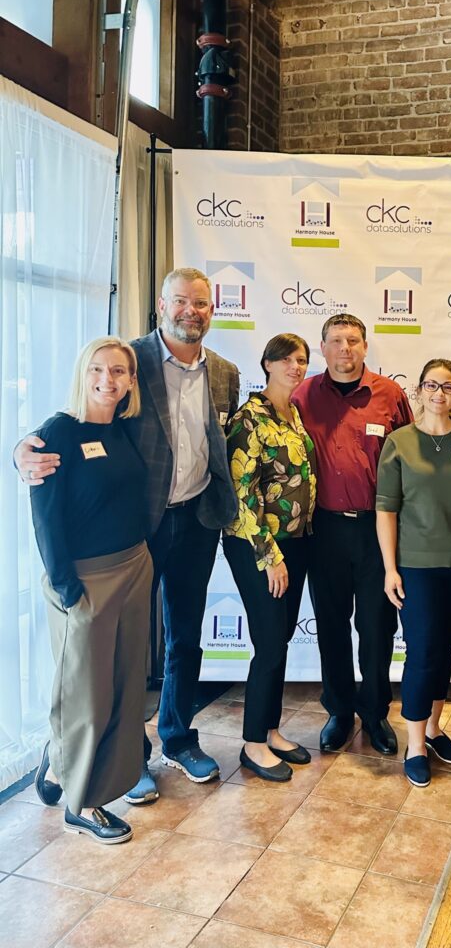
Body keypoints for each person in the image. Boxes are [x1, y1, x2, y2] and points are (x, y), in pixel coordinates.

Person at [17, 268, 239, 801]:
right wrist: (24, 445)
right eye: (180, 301)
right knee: (126, 645)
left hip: (198, 519)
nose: (191, 311)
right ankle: (127, 756)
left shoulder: (226, 372)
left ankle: (178, 737)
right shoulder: (130, 360)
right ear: (161, 305)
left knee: (186, 634)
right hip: (138, 527)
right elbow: (82, 412)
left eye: (201, 303)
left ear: (213, 310)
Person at [30, 337, 152, 844]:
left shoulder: (124, 429)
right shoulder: (56, 433)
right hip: (85, 580)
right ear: (83, 373)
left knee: (124, 689)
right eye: (98, 370)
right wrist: (64, 585)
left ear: (130, 381)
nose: (109, 380)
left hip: (134, 568)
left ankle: (70, 767)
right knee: (87, 694)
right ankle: (83, 803)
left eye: (120, 371)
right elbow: (45, 518)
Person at [293, 313, 413, 755]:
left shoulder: (390, 395)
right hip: (322, 530)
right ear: (322, 348)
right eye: (336, 341)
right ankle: (339, 711)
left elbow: (410, 462)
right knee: (331, 625)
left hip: (376, 530)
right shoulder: (303, 395)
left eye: (353, 341)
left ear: (365, 347)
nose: (345, 348)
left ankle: (376, 713)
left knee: (377, 626)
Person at [376, 359, 451, 787]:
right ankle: (415, 744)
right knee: (421, 653)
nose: (440, 393)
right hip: (416, 567)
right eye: (432, 385)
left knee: (446, 650)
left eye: (449, 386)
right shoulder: (399, 442)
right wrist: (389, 568)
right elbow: (386, 509)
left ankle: (434, 730)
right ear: (418, 390)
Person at [223, 333, 316, 782]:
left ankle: (271, 728)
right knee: (267, 643)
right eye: (286, 360)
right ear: (267, 364)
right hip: (256, 546)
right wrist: (269, 556)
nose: (295, 367)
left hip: (296, 543)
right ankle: (252, 744)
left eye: (301, 360)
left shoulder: (294, 414)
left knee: (278, 639)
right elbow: (242, 496)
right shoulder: (249, 418)